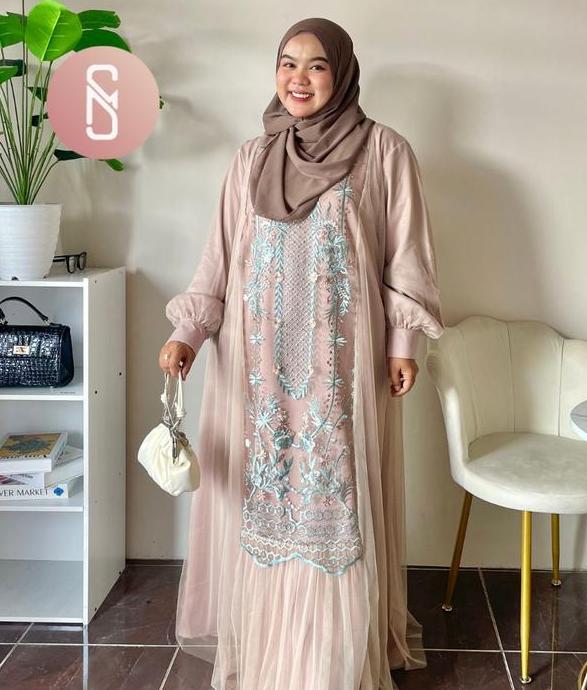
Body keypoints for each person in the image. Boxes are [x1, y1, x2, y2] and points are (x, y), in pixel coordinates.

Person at [158, 17, 444, 690]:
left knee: (334, 503)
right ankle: (270, 654)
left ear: (341, 74)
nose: (299, 78)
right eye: (287, 63)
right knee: (263, 501)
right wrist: (188, 332)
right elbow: (219, 259)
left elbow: (406, 254)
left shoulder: (384, 151)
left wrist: (403, 343)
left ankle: (331, 663)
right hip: (255, 369)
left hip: (341, 369)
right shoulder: (251, 158)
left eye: (316, 65)